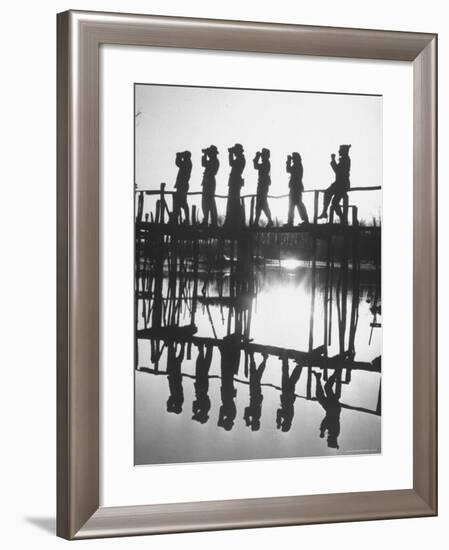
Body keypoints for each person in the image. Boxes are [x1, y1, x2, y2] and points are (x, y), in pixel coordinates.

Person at [318, 144, 351, 221]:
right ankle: (325, 213)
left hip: (342, 184)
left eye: (340, 150)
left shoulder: (345, 159)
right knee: (329, 195)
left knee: (333, 201)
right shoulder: (344, 159)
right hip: (340, 184)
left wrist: (333, 160)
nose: (339, 151)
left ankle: (342, 218)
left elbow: (337, 171)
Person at [312, 370, 342, 449]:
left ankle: (318, 377)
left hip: (331, 409)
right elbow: (327, 420)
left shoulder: (333, 433)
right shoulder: (334, 432)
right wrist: (322, 430)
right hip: (333, 408)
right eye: (328, 440)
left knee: (320, 395)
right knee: (327, 387)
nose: (327, 439)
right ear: (332, 440)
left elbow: (326, 421)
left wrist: (323, 430)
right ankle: (336, 373)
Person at [276, 354, 303, 432]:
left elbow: (280, 411)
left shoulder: (289, 418)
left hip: (288, 396)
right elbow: (279, 411)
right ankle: (290, 361)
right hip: (287, 395)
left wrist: (279, 421)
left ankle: (298, 364)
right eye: (283, 425)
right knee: (288, 376)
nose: (283, 424)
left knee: (292, 378)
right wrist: (278, 421)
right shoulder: (288, 417)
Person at [243, 353, 267, 431]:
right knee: (256, 374)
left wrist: (247, 419)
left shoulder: (257, 416)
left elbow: (247, 409)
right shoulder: (256, 415)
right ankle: (258, 358)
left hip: (255, 394)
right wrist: (247, 419)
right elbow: (247, 409)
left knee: (257, 374)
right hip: (254, 393)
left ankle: (258, 357)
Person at [285, 152, 309, 226]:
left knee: (295, 205)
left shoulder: (297, 165)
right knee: (296, 205)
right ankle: (302, 220)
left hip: (295, 188)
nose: (293, 160)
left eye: (293, 158)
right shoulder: (298, 165)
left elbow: (288, 170)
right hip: (296, 188)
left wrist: (288, 161)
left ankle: (291, 222)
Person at [224, 143, 246, 226]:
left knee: (234, 201)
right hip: (235, 181)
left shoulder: (240, 159)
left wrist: (230, 154)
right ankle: (233, 220)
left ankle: (234, 220)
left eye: (235, 150)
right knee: (233, 201)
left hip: (235, 182)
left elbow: (231, 163)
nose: (234, 152)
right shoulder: (240, 158)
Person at [192, 344, 213, 424]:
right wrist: (195, 413)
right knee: (203, 366)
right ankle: (206, 348)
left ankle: (205, 349)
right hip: (202, 387)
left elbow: (195, 403)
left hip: (201, 387)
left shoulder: (206, 408)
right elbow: (195, 403)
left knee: (202, 366)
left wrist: (195, 413)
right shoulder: (206, 407)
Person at [253, 148, 273, 227]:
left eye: (263, 155)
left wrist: (257, 157)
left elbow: (256, 166)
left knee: (262, 204)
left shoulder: (266, 163)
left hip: (262, 186)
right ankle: (257, 221)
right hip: (263, 186)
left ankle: (267, 220)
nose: (262, 156)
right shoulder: (266, 163)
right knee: (261, 204)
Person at [200, 145, 219, 226]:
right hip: (207, 181)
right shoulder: (212, 160)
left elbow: (205, 164)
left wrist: (205, 154)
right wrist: (205, 155)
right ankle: (207, 220)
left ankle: (213, 221)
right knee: (205, 202)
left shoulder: (214, 161)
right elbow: (203, 163)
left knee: (210, 201)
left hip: (210, 182)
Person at [173, 150, 192, 224]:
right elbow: (178, 163)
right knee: (179, 203)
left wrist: (178, 156)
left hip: (183, 185)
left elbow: (178, 163)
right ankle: (177, 218)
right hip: (182, 185)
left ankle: (186, 219)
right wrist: (179, 156)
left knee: (183, 203)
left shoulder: (187, 163)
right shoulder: (187, 163)